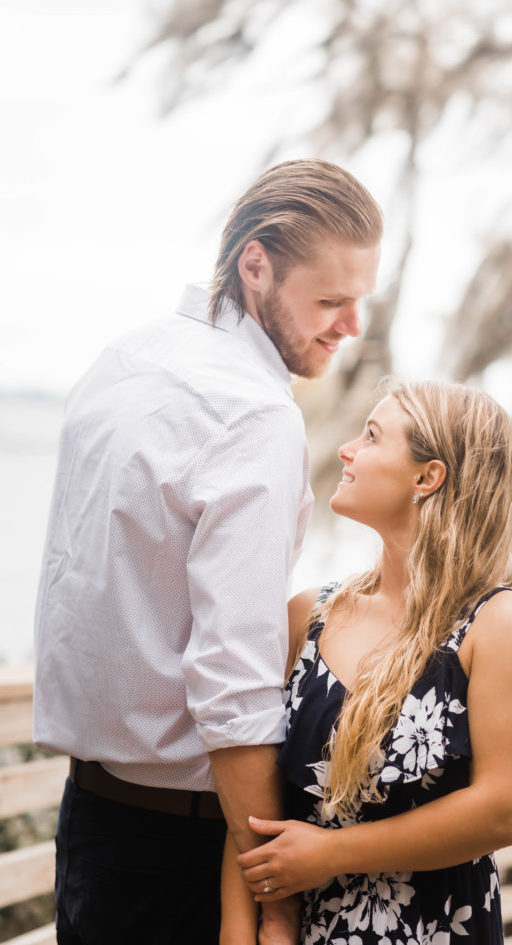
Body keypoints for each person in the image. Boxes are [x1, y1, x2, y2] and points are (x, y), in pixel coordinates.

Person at [32, 158, 382, 945]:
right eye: (330, 300)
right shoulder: (253, 415)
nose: (350, 326)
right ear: (255, 264)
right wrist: (274, 898)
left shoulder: (122, 361)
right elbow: (233, 680)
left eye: (360, 301)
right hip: (181, 851)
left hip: (90, 818)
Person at [236, 380, 512, 944]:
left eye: (371, 436)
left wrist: (331, 854)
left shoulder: (502, 627)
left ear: (427, 477)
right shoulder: (305, 616)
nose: (346, 449)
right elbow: (252, 813)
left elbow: (504, 812)